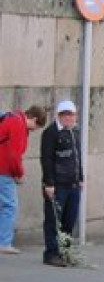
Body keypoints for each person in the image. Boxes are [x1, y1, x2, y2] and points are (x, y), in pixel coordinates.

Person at [40, 100, 83, 267]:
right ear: (58, 115)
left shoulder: (74, 132)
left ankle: (66, 252)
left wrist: (81, 177)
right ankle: (51, 254)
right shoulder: (50, 133)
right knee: (53, 221)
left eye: (71, 114)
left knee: (69, 221)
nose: (68, 118)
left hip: (72, 184)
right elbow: (46, 159)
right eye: (65, 114)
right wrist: (48, 183)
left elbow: (77, 157)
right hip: (57, 185)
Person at [0, 105, 46, 254]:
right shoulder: (18, 124)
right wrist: (19, 174)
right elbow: (14, 155)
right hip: (4, 171)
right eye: (35, 127)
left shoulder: (12, 118)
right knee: (10, 206)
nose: (33, 131)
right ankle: (4, 242)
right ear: (33, 118)